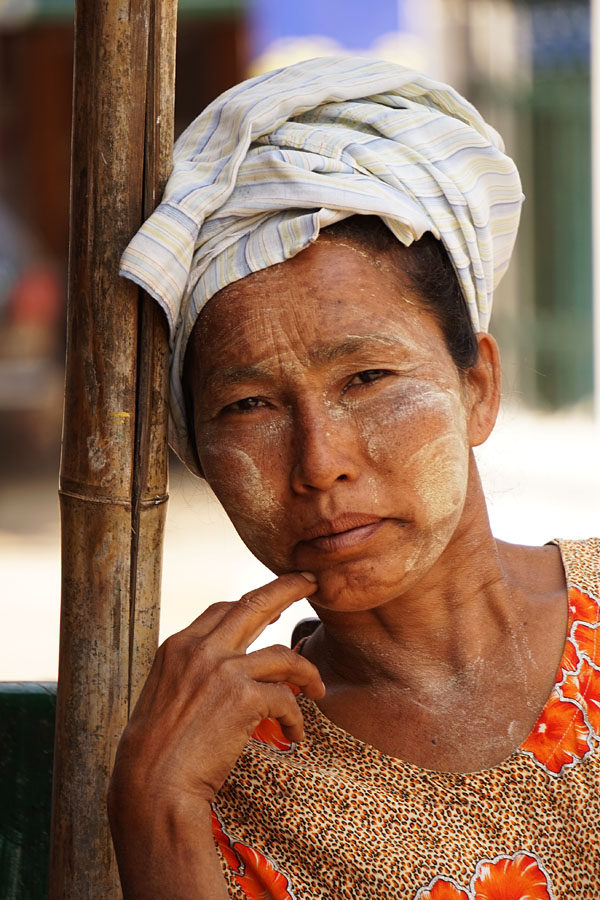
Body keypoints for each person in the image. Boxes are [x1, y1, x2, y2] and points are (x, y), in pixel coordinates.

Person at [108, 56, 600, 900]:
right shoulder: (217, 781)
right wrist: (155, 811)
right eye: (249, 406)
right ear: (199, 452)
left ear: (477, 388)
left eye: (368, 379)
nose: (319, 462)